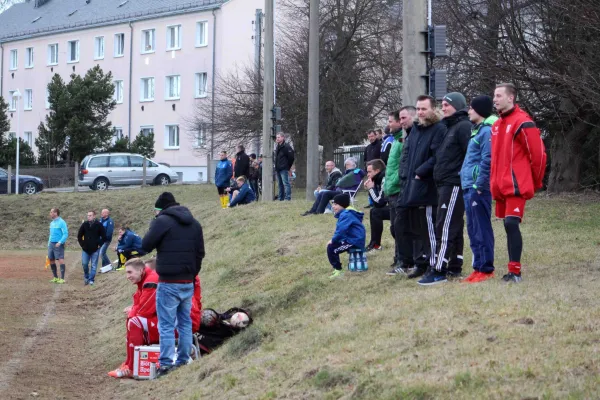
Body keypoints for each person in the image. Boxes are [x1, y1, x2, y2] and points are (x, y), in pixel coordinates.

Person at [142, 192, 205, 377]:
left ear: (160, 209)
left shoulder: (161, 221)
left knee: (167, 324)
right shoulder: (195, 223)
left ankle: (166, 363)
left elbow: (146, 245)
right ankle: (184, 359)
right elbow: (200, 253)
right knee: (185, 322)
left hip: (168, 282)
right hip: (188, 281)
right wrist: (192, 274)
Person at [491, 83, 547, 283]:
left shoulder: (523, 122)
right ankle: (511, 271)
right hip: (501, 185)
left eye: (498, 95)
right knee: (507, 225)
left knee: (511, 223)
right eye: (494, 96)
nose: (495, 99)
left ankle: (515, 272)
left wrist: (533, 181)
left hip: (516, 185)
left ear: (510, 98)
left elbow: (538, 155)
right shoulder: (497, 125)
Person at [418, 92, 471, 286]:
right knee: (453, 226)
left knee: (445, 225)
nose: (444, 107)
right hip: (444, 184)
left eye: (447, 105)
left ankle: (438, 269)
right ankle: (454, 265)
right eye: (443, 104)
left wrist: (460, 176)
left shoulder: (463, 126)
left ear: (457, 106)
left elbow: (469, 155)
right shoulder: (450, 127)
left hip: (453, 184)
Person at [398, 95, 446, 280]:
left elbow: (437, 156)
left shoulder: (439, 129)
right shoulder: (416, 130)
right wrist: (407, 175)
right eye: (418, 109)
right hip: (412, 184)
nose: (420, 112)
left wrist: (420, 171)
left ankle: (433, 264)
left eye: (424, 109)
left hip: (427, 186)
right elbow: (408, 155)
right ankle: (421, 262)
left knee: (429, 227)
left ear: (432, 109)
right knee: (417, 228)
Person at [461, 95, 497, 283]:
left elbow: (487, 160)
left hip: (478, 188)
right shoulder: (476, 131)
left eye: (472, 108)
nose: (469, 111)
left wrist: (479, 185)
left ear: (480, 110)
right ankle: (477, 267)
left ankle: (486, 268)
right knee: (473, 229)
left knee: (482, 228)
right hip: (468, 187)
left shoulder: (486, 132)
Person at [107, 258, 159, 379]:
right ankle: (128, 363)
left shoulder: (151, 281)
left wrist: (132, 311)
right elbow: (139, 303)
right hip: (163, 320)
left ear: (141, 270)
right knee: (132, 320)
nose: (127, 276)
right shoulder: (145, 280)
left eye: (130, 272)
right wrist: (133, 310)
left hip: (172, 324)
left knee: (134, 321)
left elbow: (145, 311)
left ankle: (131, 368)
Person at [326, 193, 366, 279]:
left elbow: (340, 231)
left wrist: (333, 240)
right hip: (353, 239)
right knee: (333, 246)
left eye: (336, 204)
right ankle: (338, 269)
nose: (333, 206)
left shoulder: (346, 214)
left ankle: (339, 270)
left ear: (343, 205)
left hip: (354, 241)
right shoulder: (347, 213)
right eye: (333, 203)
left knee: (331, 248)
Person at [77, 210, 107, 286]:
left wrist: (99, 244)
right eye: (88, 215)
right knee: (84, 264)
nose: (88, 217)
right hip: (85, 249)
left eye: (90, 215)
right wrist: (82, 244)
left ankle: (91, 280)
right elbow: (79, 235)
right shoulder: (85, 224)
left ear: (94, 216)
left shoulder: (99, 225)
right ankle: (86, 277)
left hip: (95, 249)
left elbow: (104, 237)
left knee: (94, 265)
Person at [365, 159, 389, 252]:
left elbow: (380, 203)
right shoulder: (377, 179)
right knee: (374, 211)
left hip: (398, 207)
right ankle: (374, 244)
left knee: (376, 211)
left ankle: (375, 245)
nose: (367, 174)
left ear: (377, 171)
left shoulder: (384, 178)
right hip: (393, 206)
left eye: (369, 172)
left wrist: (371, 188)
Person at [48, 208, 68, 284]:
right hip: (51, 244)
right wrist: (48, 243)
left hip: (58, 244)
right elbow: (51, 235)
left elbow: (65, 234)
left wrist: (60, 242)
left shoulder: (62, 222)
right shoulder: (52, 223)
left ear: (56, 213)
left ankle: (62, 278)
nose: (50, 213)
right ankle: (55, 277)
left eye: (51, 212)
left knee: (60, 259)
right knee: (51, 260)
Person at [274, 133, 295, 201]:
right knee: (280, 184)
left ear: (283, 138)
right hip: (278, 168)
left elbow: (291, 157)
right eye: (277, 137)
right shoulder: (278, 146)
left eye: (279, 137)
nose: (277, 138)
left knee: (286, 183)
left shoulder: (286, 146)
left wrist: (287, 166)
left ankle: (287, 198)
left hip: (284, 168)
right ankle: (281, 198)